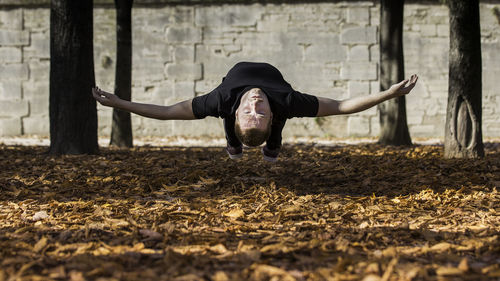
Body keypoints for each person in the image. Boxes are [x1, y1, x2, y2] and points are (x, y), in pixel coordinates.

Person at [93, 62, 418, 162]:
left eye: (252, 112)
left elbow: (165, 111)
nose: (254, 104)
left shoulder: (221, 101)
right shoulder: (285, 103)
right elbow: (343, 107)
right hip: (275, 113)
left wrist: (117, 102)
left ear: (236, 114)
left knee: (240, 120)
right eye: (258, 112)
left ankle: (249, 145)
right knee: (276, 121)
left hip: (229, 112)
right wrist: (389, 93)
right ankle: (261, 145)